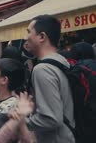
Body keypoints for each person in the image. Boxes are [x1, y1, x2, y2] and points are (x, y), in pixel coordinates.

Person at [25, 15, 75, 143]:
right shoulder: (62, 62)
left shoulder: (43, 69)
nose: (26, 38)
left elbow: (51, 118)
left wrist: (21, 122)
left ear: (42, 37)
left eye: (29, 32)